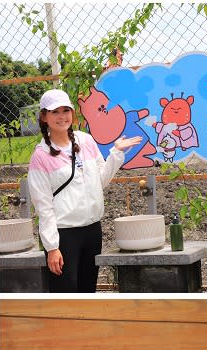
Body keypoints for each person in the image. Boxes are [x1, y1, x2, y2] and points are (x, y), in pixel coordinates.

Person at [27, 88, 141, 292]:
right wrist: (52, 248)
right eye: (55, 112)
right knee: (66, 293)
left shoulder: (85, 141)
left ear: (73, 113)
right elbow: (43, 206)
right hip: (64, 236)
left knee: (88, 290)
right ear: (44, 117)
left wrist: (116, 153)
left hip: (92, 231)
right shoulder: (41, 156)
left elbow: (100, 181)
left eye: (66, 110)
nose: (62, 116)